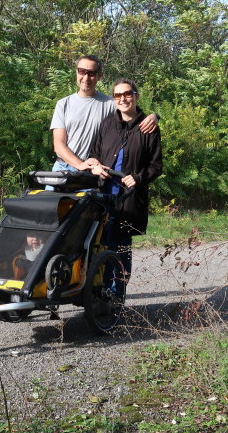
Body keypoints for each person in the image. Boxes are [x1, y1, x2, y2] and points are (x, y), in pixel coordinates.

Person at [88, 78, 162, 297]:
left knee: (120, 249)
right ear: (114, 99)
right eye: (118, 95)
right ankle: (96, 298)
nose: (123, 99)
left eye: (127, 94)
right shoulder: (107, 123)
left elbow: (156, 166)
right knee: (99, 246)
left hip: (128, 199)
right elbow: (93, 153)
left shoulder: (149, 127)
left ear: (136, 96)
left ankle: (115, 300)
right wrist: (94, 167)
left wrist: (138, 178)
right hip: (102, 196)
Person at [49, 55, 158, 173]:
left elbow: (132, 113)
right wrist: (80, 164)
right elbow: (58, 144)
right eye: (82, 71)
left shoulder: (110, 104)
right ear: (76, 72)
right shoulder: (63, 104)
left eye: (91, 73)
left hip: (92, 171)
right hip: (62, 167)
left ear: (99, 76)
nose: (86, 78)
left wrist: (155, 116)